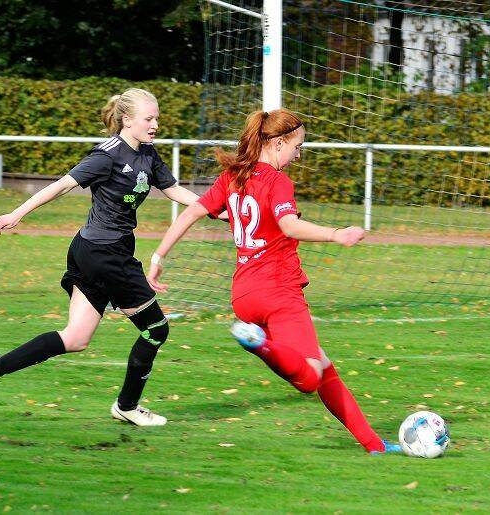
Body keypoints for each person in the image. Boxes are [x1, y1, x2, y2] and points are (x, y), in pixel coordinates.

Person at [147, 108, 401, 454]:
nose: (299, 155)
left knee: (323, 367)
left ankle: (374, 445)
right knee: (310, 378)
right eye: (298, 147)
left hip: (243, 294)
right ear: (279, 142)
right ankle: (258, 343)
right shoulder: (277, 181)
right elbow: (289, 226)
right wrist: (336, 234)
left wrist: (158, 257)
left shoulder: (233, 176)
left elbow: (191, 211)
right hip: (278, 291)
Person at [0, 88, 204, 426]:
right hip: (104, 254)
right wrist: (16, 213)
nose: (155, 125)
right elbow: (63, 185)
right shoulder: (107, 155)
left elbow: (172, 190)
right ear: (127, 120)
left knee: (75, 338)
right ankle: (127, 406)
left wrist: (215, 209)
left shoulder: (148, 154)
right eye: (149, 119)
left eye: (157, 118)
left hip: (93, 250)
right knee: (156, 328)